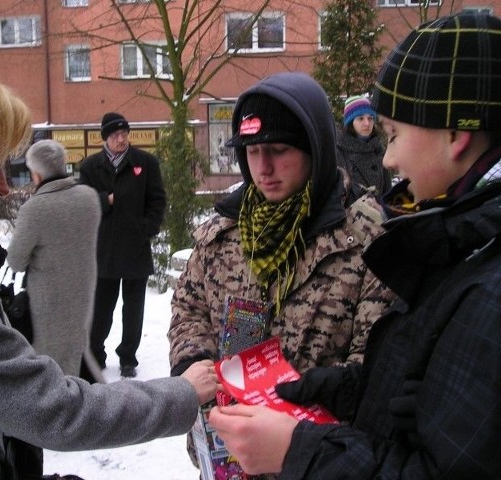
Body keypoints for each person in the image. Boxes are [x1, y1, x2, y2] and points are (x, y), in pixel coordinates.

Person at [0, 52, 217, 479]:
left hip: (82, 278)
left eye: (9, 167)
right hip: (88, 281)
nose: (1, 185)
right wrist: (182, 393)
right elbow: (54, 409)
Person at [208, 12, 501, 479]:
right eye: (251, 152)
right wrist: (347, 389)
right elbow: (429, 389)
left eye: (395, 133)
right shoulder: (462, 240)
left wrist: (301, 451)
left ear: (456, 137)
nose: (388, 157)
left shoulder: (484, 285)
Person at [168, 72, 396, 477]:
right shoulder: (225, 231)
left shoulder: (368, 237)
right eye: (252, 152)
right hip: (227, 452)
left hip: (316, 458)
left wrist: (315, 401)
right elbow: (189, 305)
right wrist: (195, 361)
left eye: (278, 149)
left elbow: (381, 361)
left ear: (316, 148)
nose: (263, 168)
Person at [79, 112, 166, 378]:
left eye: (125, 133)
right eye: (116, 135)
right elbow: (83, 202)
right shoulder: (90, 166)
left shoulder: (145, 162)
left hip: (135, 247)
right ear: (105, 138)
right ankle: (96, 353)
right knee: (102, 308)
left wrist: (147, 228)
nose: (121, 139)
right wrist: (107, 200)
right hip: (104, 249)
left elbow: (157, 200)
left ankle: (128, 356)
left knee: (134, 308)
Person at [6, 139, 101, 376]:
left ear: (36, 173)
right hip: (83, 290)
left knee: (51, 361)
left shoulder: (35, 208)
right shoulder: (90, 198)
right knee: (76, 351)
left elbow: (16, 260)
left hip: (48, 300)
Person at [336, 95, 391, 205]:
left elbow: (387, 191)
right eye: (360, 118)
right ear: (350, 122)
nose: (367, 123)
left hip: (380, 217)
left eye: (370, 118)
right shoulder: (339, 150)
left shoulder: (379, 149)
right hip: (352, 218)